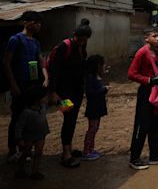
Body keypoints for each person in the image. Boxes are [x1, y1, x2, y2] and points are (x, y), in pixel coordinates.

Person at [4, 10, 48, 162]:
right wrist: (13, 84)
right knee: (17, 117)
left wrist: (46, 77)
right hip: (19, 84)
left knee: (29, 117)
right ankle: (12, 149)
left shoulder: (35, 42)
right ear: (25, 22)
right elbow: (6, 63)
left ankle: (25, 150)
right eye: (35, 22)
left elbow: (41, 61)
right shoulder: (15, 40)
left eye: (39, 23)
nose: (38, 25)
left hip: (32, 85)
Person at [48, 18, 92, 168]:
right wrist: (53, 92)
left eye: (85, 39)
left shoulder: (82, 47)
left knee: (72, 119)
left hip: (77, 90)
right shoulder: (64, 47)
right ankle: (65, 153)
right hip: (64, 92)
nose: (82, 41)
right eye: (80, 38)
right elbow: (54, 70)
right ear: (75, 35)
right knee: (69, 117)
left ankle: (69, 148)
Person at [128, 27, 158, 170]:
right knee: (142, 124)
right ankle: (134, 158)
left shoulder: (155, 52)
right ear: (146, 38)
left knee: (156, 123)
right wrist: (149, 80)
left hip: (157, 91)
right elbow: (131, 74)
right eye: (154, 36)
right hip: (146, 91)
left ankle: (154, 155)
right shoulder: (142, 52)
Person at [14, 85, 49, 180]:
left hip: (41, 135)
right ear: (37, 100)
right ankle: (20, 169)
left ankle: (35, 171)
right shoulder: (26, 112)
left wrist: (66, 103)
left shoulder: (43, 107)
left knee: (38, 153)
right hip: (28, 136)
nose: (47, 98)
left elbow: (59, 103)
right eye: (44, 97)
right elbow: (19, 126)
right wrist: (19, 138)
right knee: (26, 153)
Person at [82, 55, 108, 161]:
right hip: (93, 108)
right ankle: (86, 151)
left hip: (98, 107)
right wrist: (104, 90)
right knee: (92, 129)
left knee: (95, 128)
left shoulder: (96, 77)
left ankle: (91, 149)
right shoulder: (90, 78)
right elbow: (90, 93)